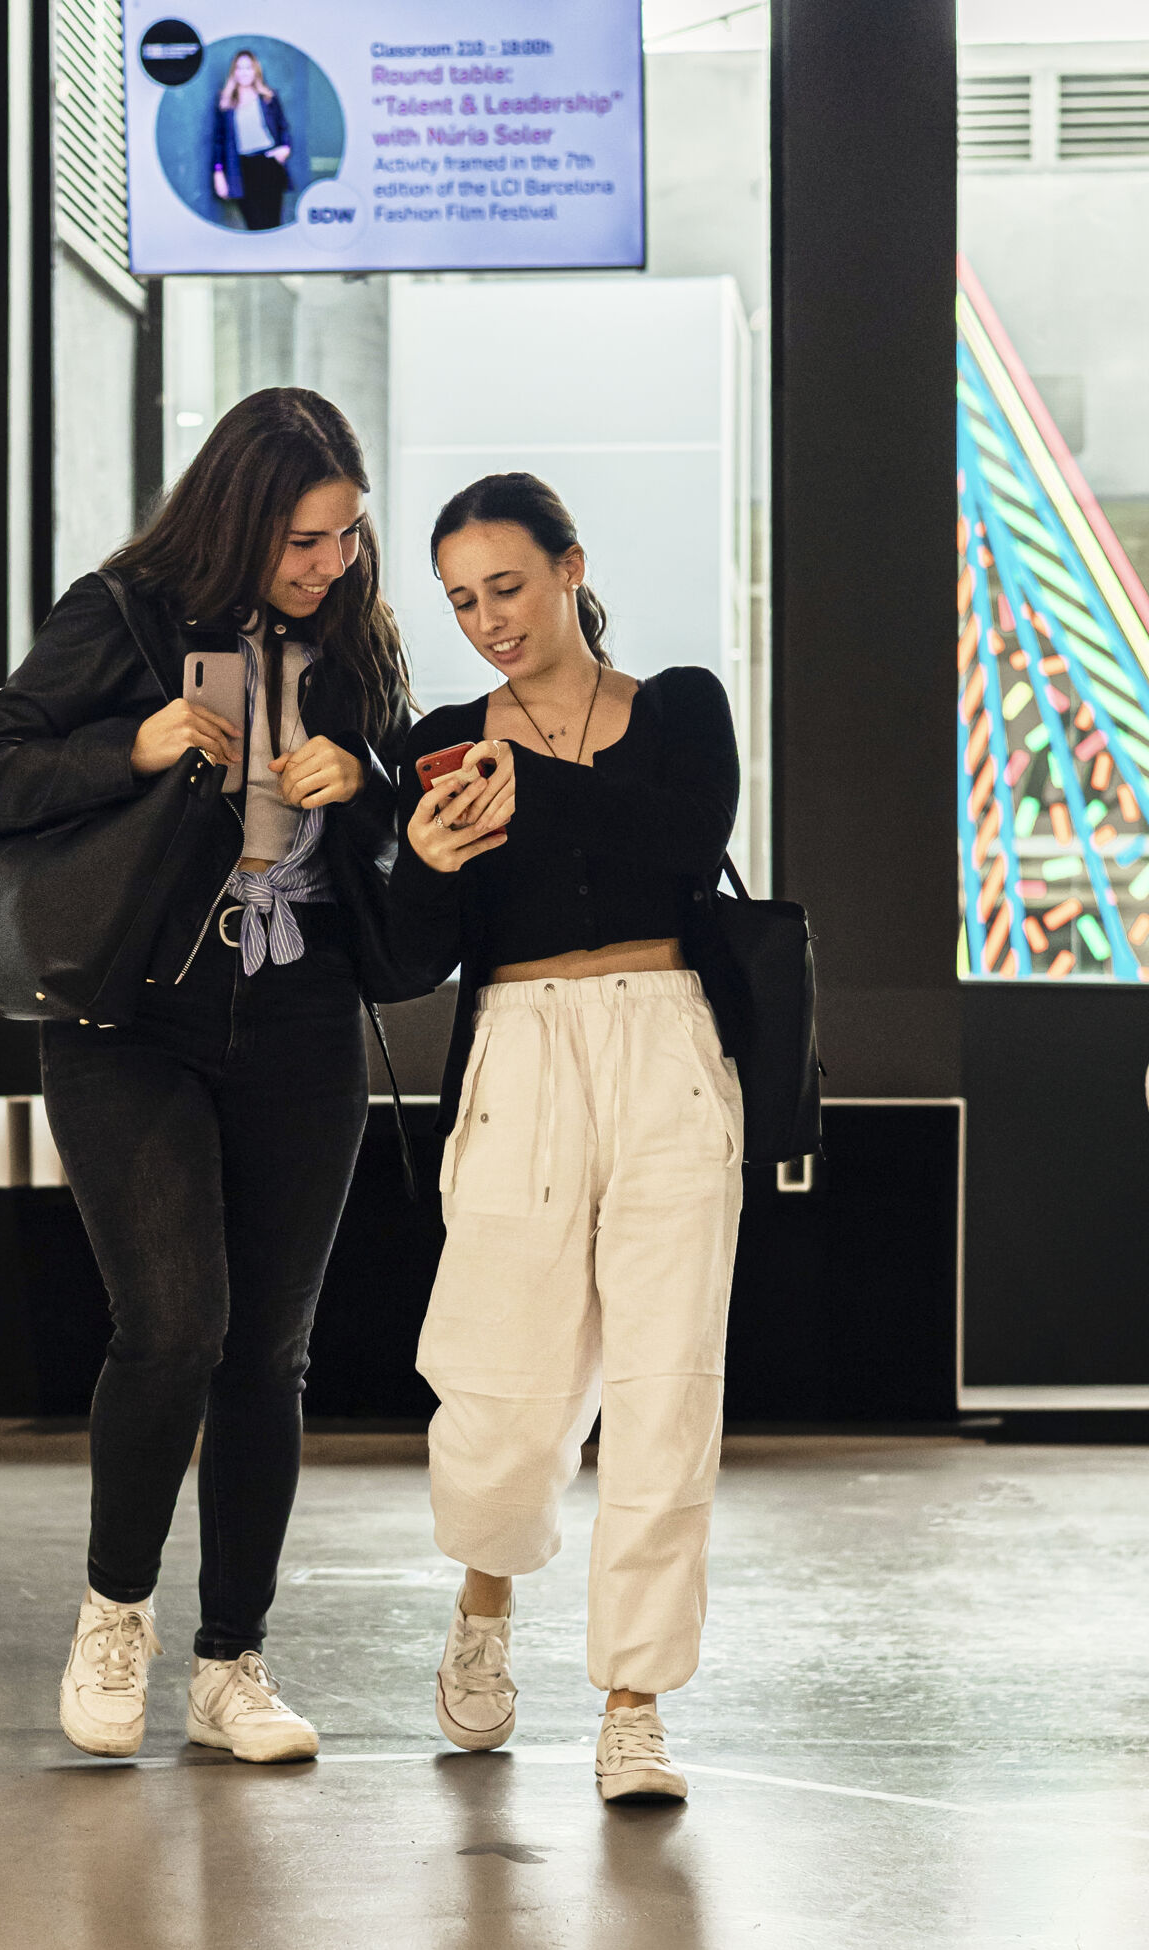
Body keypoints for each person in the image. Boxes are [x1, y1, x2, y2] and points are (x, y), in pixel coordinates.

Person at [0, 390, 417, 1763]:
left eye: (346, 534)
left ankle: (234, 1665)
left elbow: (390, 819)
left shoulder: (357, 636)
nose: (331, 562)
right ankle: (115, 1615)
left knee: (270, 1349)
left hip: (301, 1016)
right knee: (174, 1325)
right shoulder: (127, 611)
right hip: (132, 1022)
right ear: (241, 516)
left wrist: (365, 779)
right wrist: (134, 743)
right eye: (306, 538)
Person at [389, 472, 745, 1803]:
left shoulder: (684, 710)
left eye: (510, 586)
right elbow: (407, 959)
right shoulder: (436, 743)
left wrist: (517, 796)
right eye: (463, 600)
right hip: (521, 1059)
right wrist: (424, 855)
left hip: (667, 1046)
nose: (489, 620)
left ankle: (634, 1699)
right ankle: (485, 1598)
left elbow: (674, 842)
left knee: (666, 1391)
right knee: (501, 1393)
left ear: (571, 568)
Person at [212, 49, 292, 232]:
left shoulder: (268, 97)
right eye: (239, 68)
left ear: (255, 70)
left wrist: (285, 148)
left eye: (248, 67)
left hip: (268, 164)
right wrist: (218, 173)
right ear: (234, 72)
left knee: (271, 223)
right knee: (254, 224)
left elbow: (283, 127)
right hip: (241, 168)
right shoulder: (226, 102)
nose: (244, 72)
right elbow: (219, 141)